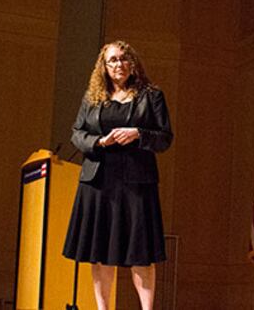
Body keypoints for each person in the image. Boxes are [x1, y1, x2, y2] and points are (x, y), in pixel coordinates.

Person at [62, 40, 173, 310]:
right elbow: (77, 133)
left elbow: (165, 138)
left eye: (124, 59)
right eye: (112, 60)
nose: (118, 64)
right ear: (103, 66)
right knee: (101, 253)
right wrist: (99, 142)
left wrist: (139, 134)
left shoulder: (151, 95)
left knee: (141, 253)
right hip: (98, 183)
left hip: (137, 183)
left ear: (133, 63)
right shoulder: (92, 98)